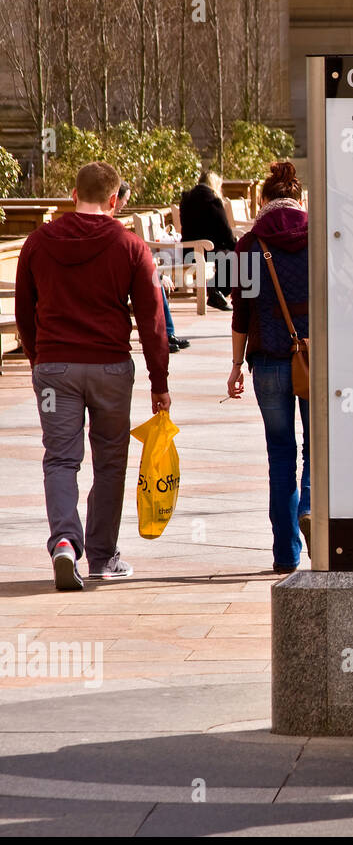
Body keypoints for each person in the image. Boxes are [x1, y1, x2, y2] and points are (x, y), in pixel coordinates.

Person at [15, 161, 170, 590]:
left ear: (72, 194)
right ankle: (102, 555)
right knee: (110, 461)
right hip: (111, 369)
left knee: (61, 459)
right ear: (116, 200)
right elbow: (152, 319)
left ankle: (64, 540)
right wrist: (160, 382)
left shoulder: (38, 243)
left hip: (55, 369)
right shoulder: (131, 246)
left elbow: (23, 310)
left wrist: (37, 360)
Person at [226, 161, 310, 573]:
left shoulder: (248, 245)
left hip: (269, 363)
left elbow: (241, 312)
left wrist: (236, 365)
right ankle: (311, 511)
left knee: (281, 454)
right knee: (319, 450)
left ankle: (285, 554)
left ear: (263, 200)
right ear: (298, 197)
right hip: (316, 362)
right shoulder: (320, 236)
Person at [116, 181, 189, 353]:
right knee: (153, 280)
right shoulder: (110, 224)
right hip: (117, 279)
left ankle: (166, 334)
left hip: (125, 273)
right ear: (114, 198)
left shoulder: (114, 223)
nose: (125, 204)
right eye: (125, 200)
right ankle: (157, 336)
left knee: (155, 279)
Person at [179, 170, 238, 312]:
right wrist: (238, 246)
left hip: (188, 251)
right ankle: (217, 293)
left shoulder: (186, 199)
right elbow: (225, 231)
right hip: (208, 252)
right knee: (235, 257)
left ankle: (215, 293)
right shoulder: (213, 201)